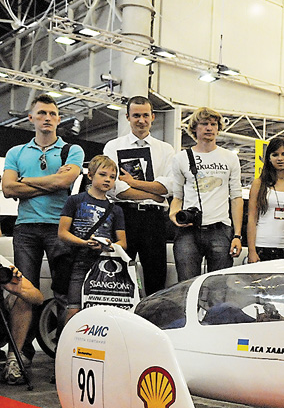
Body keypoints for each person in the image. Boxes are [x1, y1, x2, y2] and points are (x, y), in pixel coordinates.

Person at [1, 93, 84, 309]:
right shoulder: (15, 152)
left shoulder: (72, 150)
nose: (47, 117)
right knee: (23, 290)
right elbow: (8, 189)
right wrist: (53, 182)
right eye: (41, 113)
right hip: (25, 229)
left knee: (63, 292)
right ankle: (22, 344)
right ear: (31, 118)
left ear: (58, 119)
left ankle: (62, 342)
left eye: (52, 114)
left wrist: (25, 181)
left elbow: (65, 181)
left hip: (60, 228)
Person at [104, 95, 176, 295]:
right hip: (122, 217)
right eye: (136, 115)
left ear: (153, 117)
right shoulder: (113, 147)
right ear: (127, 117)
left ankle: (150, 320)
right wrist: (153, 194)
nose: (141, 120)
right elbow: (113, 187)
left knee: (155, 276)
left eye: (145, 115)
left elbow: (169, 186)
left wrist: (134, 183)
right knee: (117, 275)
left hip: (154, 220)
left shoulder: (166, 149)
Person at [168, 107, 243, 281]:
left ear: (218, 128)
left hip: (221, 229)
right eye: (204, 124)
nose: (209, 128)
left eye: (213, 124)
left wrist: (237, 235)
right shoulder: (181, 158)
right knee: (186, 284)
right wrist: (173, 213)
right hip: (188, 231)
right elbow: (177, 195)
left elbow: (236, 197)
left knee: (218, 286)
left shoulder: (230, 158)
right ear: (195, 127)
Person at [58, 156, 129, 324]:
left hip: (104, 264)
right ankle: (67, 347)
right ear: (90, 175)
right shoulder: (74, 200)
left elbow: (123, 242)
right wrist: (84, 243)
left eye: (112, 177)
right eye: (103, 174)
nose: (107, 180)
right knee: (73, 308)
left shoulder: (116, 209)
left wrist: (108, 246)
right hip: (78, 261)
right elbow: (62, 233)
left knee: (102, 310)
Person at [247, 138, 284, 262]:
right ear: (269, 158)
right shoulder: (259, 184)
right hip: (261, 246)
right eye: (275, 155)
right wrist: (251, 251)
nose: (280, 158)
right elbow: (252, 218)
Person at [0, 256, 44, 385]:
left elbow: (38, 298)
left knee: (23, 299)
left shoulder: (1, 265)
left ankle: (13, 361)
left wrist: (19, 291)